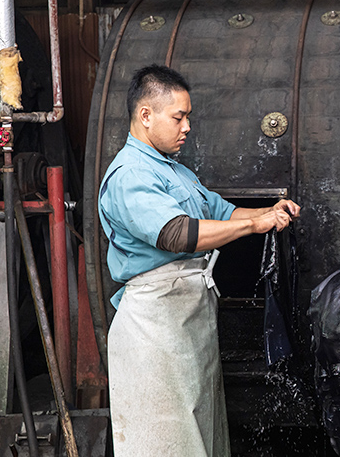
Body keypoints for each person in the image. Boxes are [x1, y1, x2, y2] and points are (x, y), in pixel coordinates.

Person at [98, 64, 300, 456]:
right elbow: (177, 235)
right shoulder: (130, 174)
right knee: (166, 440)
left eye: (187, 116)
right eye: (178, 117)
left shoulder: (176, 171)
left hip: (188, 322)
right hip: (153, 329)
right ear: (145, 115)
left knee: (200, 435)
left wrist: (269, 212)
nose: (187, 126)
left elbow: (223, 212)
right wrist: (254, 225)